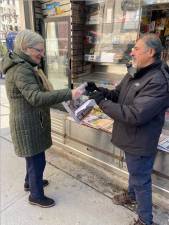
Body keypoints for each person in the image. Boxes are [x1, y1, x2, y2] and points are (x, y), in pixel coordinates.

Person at [85, 33, 169, 225]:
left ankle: (145, 220)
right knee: (134, 173)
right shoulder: (136, 71)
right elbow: (118, 94)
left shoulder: (158, 81)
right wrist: (100, 91)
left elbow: (135, 115)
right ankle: (131, 196)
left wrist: (101, 103)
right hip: (129, 137)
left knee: (141, 180)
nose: (132, 52)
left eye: (137, 48)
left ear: (151, 52)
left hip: (140, 140)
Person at [1, 29, 85, 208]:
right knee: (37, 160)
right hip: (27, 123)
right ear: (25, 48)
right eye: (38, 50)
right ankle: (36, 195)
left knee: (32, 158)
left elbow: (38, 96)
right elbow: (36, 97)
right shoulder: (22, 69)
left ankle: (29, 183)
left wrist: (66, 102)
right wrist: (69, 93)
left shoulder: (24, 65)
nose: (42, 54)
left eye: (42, 49)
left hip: (29, 120)